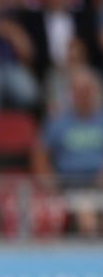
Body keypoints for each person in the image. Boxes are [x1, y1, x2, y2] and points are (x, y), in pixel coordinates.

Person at [32, 66, 103, 235]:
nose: (83, 95)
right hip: (69, 181)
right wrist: (48, 181)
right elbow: (40, 153)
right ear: (71, 93)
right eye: (78, 91)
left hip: (98, 180)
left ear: (94, 91)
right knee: (86, 211)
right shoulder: (58, 121)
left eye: (86, 90)